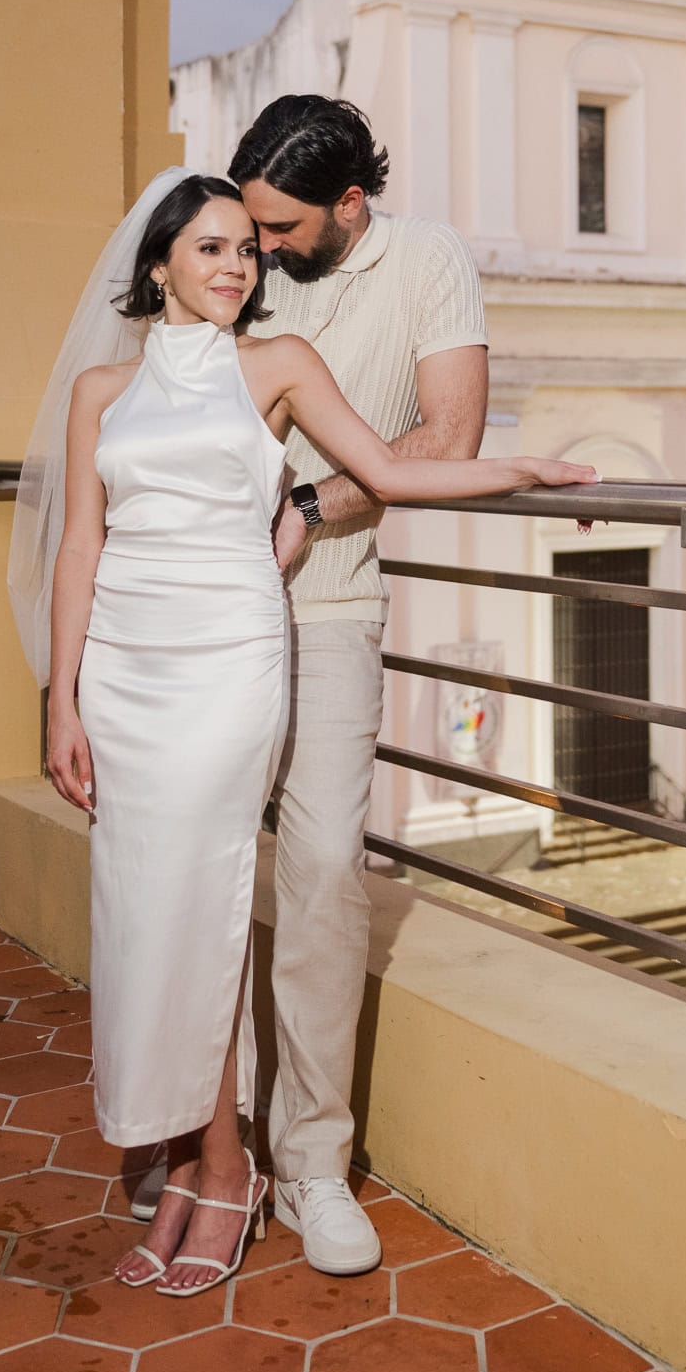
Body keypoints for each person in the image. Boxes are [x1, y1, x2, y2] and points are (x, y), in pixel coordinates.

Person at [9, 169, 593, 1297]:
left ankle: (227, 1167)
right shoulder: (98, 388)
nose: (238, 264)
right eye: (214, 246)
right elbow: (80, 545)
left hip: (230, 659)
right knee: (139, 901)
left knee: (208, 889)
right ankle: (183, 1154)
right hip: (123, 669)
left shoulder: (276, 367)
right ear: (160, 263)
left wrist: (525, 464)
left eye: (248, 249)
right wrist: (61, 696)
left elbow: (380, 470)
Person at [220, 95, 499, 1278]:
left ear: (350, 203)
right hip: (199, 617)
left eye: (281, 228)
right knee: (209, 867)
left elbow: (448, 435)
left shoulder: (427, 261)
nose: (259, 252)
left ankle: (315, 1162)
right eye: (249, 228)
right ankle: (212, 1145)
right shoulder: (244, 254)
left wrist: (307, 508)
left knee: (326, 866)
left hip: (330, 604)